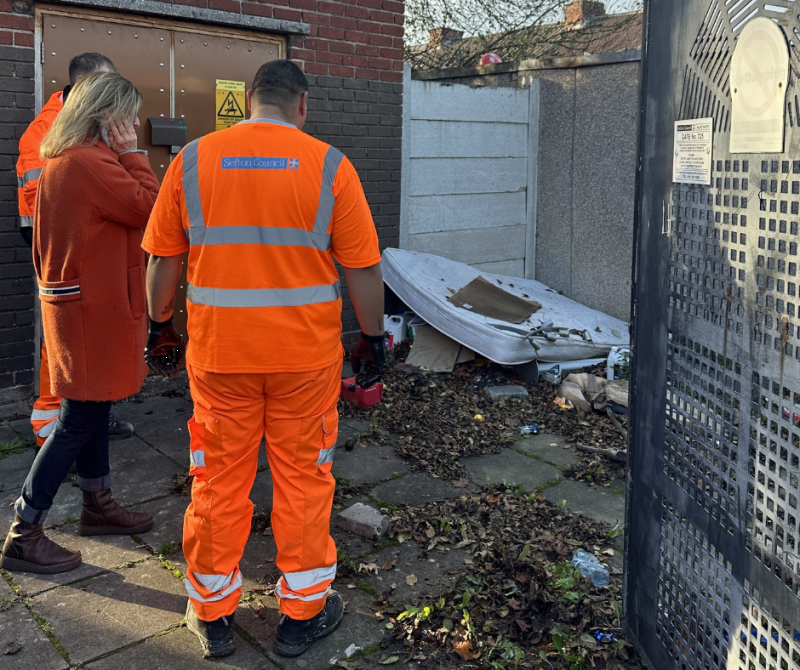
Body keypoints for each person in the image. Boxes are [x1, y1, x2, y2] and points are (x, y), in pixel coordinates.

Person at [143, 59, 387, 659]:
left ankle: (212, 612)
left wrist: (159, 327)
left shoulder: (192, 160)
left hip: (221, 356)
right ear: (302, 105)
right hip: (304, 361)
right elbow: (363, 267)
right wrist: (372, 339)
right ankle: (301, 615)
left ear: (249, 99)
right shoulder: (330, 166)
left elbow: (163, 260)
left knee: (217, 480)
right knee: (303, 480)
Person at [0, 72, 158, 575]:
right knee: (78, 420)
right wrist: (134, 155)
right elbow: (150, 207)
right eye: (129, 115)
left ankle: (98, 504)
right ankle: (25, 530)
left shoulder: (67, 157)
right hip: (93, 311)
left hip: (84, 307)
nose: (134, 124)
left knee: (93, 407)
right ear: (107, 116)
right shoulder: (91, 162)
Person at [16, 52, 135, 447]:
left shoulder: (84, 124)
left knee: (81, 347)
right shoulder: (47, 129)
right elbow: (45, 199)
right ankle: (51, 425)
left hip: (79, 247)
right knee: (63, 343)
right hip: (62, 251)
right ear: (84, 86)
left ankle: (85, 421)